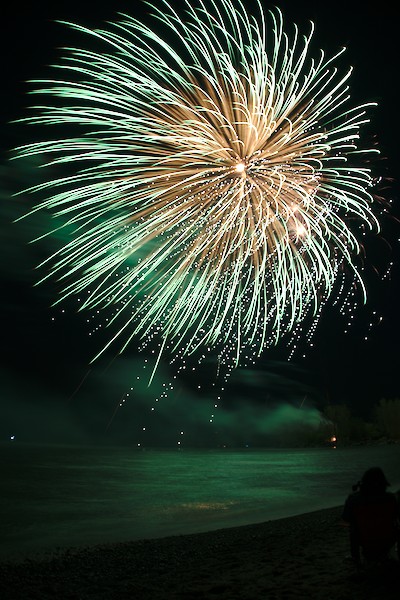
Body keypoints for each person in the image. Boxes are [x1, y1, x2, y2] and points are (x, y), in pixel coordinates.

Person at [341, 467, 400, 566]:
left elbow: (346, 517)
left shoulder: (354, 499)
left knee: (353, 527)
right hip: (388, 538)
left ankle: (356, 558)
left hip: (363, 539)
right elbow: (395, 516)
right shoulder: (390, 498)